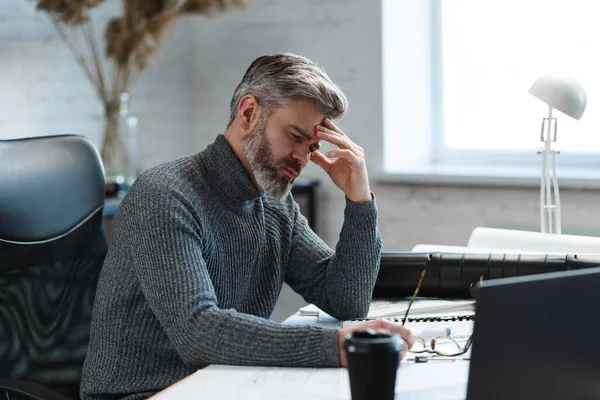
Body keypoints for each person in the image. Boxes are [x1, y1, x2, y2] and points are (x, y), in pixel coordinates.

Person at [80, 53, 413, 400]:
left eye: (312, 146)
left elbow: (346, 301)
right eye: (295, 136)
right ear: (249, 113)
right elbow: (198, 331)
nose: (303, 158)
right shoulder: (164, 196)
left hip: (222, 385)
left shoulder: (274, 203)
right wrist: (336, 347)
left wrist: (359, 201)